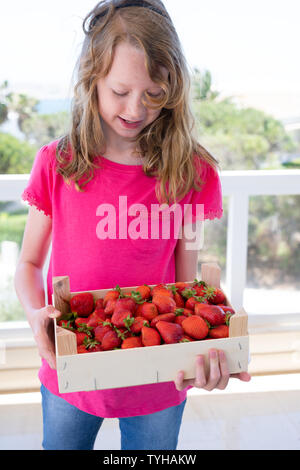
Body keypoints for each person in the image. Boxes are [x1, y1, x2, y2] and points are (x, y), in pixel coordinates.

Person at [14, 0, 251, 451]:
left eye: (153, 93)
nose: (136, 108)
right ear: (92, 80)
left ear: (173, 88)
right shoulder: (58, 164)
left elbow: (186, 288)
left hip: (159, 383)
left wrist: (203, 353)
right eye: (120, 90)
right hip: (71, 374)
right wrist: (34, 315)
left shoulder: (191, 173)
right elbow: (27, 263)